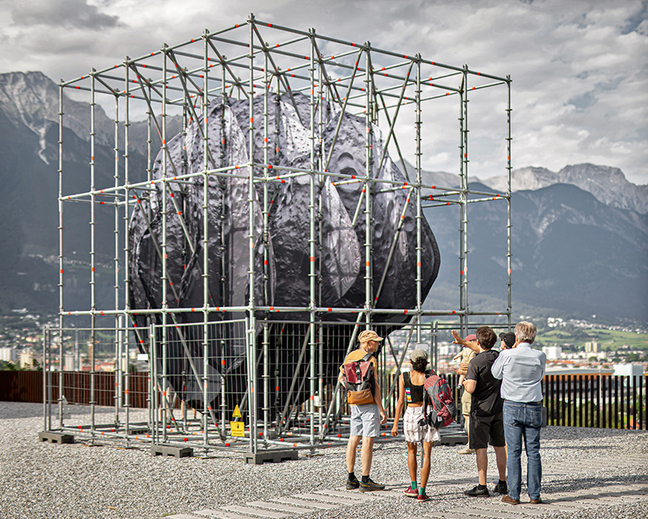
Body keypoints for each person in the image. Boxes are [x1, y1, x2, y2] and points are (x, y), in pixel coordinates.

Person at [491, 321, 547, 505]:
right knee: (533, 452)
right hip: (533, 404)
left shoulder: (507, 354)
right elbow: (540, 376)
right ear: (533, 337)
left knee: (514, 452)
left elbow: (496, 373)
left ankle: (514, 495)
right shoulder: (540, 355)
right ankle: (534, 495)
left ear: (517, 337)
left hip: (512, 405)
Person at [458, 326, 508, 497]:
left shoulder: (476, 362)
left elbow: (471, 388)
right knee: (499, 446)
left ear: (478, 342)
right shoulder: (499, 357)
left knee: (481, 448)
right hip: (498, 408)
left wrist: (464, 381)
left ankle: (482, 485)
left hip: (480, 410)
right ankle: (502, 482)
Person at [338, 330, 387, 492]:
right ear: (367, 343)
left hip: (354, 402)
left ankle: (351, 477)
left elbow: (341, 379)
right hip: (369, 403)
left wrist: (353, 391)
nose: (378, 344)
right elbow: (375, 386)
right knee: (367, 440)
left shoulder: (350, 356)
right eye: (376, 341)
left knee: (353, 439)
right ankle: (365, 479)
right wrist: (381, 409)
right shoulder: (371, 359)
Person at [391, 348, 439, 502]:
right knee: (426, 454)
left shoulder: (404, 377)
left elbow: (400, 402)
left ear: (410, 362)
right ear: (426, 363)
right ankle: (423, 492)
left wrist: (394, 424)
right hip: (428, 413)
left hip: (411, 413)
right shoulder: (431, 376)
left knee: (411, 451)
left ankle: (413, 486)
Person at [452, 333, 477, 454]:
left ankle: (472, 443)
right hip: (484, 390)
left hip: (470, 386)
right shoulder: (485, 354)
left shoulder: (468, 354)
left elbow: (463, 371)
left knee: (468, 416)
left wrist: (460, 383)